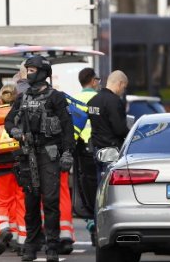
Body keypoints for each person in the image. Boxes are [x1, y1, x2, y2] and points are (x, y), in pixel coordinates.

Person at [4, 55, 75, 262]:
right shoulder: (22, 97)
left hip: (49, 154)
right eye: (28, 70)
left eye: (33, 69)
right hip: (28, 155)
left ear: (43, 72)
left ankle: (52, 246)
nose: (29, 73)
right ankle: (31, 246)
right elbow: (9, 121)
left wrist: (68, 152)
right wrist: (16, 131)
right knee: (31, 200)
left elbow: (67, 128)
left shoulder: (56, 98)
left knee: (51, 201)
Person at [0, 84, 26, 256]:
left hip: (0, 166)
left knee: (1, 202)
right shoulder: (21, 113)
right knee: (21, 203)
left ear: (0, 97)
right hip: (20, 164)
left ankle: (3, 228)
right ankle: (21, 239)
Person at [72, 67, 101, 244]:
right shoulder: (97, 99)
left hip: (79, 149)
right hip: (95, 148)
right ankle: (97, 222)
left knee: (82, 187)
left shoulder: (74, 100)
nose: (98, 82)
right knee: (98, 187)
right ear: (92, 80)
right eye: (97, 79)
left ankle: (90, 221)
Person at [87, 70, 130, 181]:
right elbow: (119, 129)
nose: (123, 91)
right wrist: (130, 133)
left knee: (100, 184)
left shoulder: (93, 101)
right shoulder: (114, 101)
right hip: (111, 151)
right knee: (110, 186)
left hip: (96, 149)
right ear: (120, 83)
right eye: (124, 87)